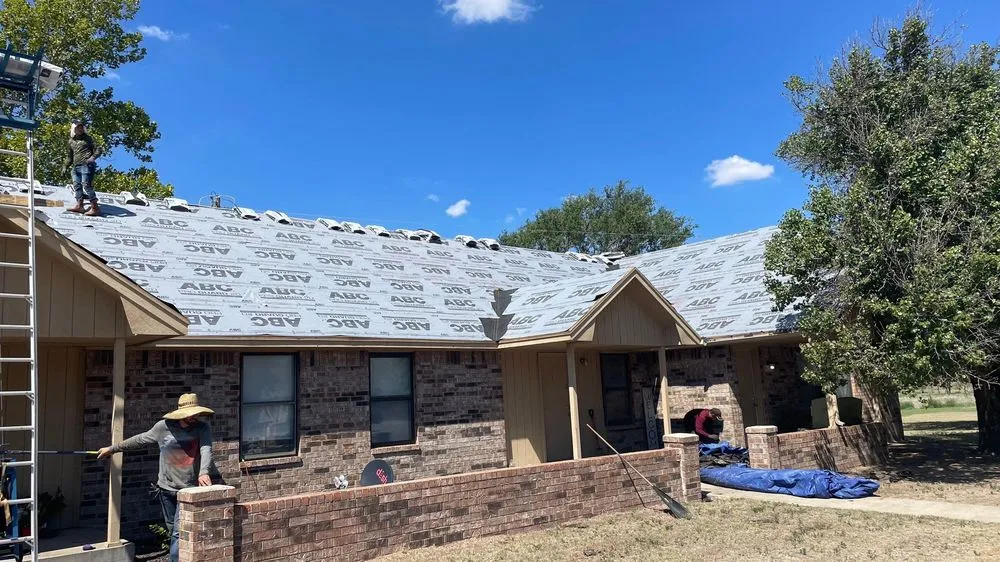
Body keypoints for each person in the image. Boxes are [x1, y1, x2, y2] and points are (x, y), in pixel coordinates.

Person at [97, 393, 214, 562]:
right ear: (181, 413)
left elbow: (206, 450)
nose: (195, 417)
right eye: (191, 414)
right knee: (172, 528)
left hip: (188, 489)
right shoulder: (163, 427)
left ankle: (175, 559)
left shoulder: (202, 429)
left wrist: (204, 472)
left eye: (197, 414)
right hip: (165, 488)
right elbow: (140, 440)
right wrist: (112, 448)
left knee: (178, 531)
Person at [65, 121, 102, 216]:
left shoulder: (88, 139)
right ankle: (79, 205)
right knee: (77, 185)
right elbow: (70, 156)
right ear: (74, 129)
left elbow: (98, 149)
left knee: (86, 185)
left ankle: (95, 207)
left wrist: (92, 158)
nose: (80, 129)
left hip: (86, 165)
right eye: (78, 128)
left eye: (81, 127)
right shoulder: (71, 141)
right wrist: (65, 166)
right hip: (75, 166)